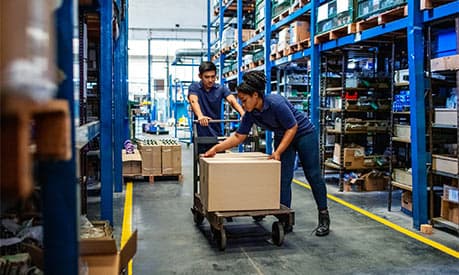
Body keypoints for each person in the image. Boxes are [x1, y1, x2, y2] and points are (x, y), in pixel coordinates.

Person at [203, 71, 330, 236]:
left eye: (244, 100)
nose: (242, 104)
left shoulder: (275, 103)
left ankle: (324, 215)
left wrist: (277, 152)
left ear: (255, 95)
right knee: (283, 178)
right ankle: (285, 219)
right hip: (282, 136)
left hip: (303, 134)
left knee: (313, 175)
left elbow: (293, 127)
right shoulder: (250, 113)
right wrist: (216, 149)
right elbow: (239, 136)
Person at [188, 61, 244, 153]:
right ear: (200, 76)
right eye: (207, 77)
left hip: (217, 134)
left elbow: (232, 101)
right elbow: (193, 101)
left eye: (213, 77)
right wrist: (200, 116)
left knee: (218, 164)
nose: (210, 80)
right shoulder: (194, 87)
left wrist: (242, 114)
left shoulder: (221, 88)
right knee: (203, 163)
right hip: (201, 135)